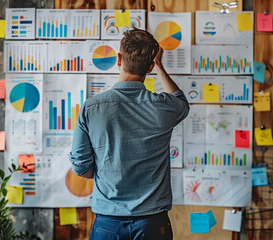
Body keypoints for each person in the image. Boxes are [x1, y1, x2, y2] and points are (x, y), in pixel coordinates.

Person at [69, 28, 189, 240]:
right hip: (153, 223)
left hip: (108, 221)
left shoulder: (92, 107)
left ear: (118, 59)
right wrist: (160, 66)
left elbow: (81, 167)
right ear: (150, 67)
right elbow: (181, 101)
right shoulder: (164, 107)